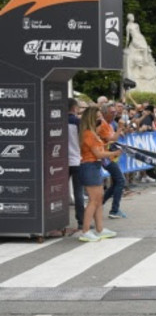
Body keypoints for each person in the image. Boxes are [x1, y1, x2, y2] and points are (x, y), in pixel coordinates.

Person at [78, 106, 121, 242]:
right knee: (94, 200)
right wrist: (113, 153)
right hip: (89, 165)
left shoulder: (92, 132)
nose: (100, 119)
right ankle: (85, 231)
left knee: (99, 199)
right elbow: (98, 153)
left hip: (94, 166)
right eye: (97, 117)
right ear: (91, 118)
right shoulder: (88, 134)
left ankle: (100, 229)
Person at [98, 103, 127, 219]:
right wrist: (120, 128)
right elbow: (112, 138)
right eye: (112, 113)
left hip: (110, 155)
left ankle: (100, 204)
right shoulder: (103, 124)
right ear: (104, 113)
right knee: (120, 180)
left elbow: (113, 138)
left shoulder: (109, 124)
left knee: (116, 181)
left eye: (115, 112)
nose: (115, 115)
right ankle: (114, 210)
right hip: (105, 157)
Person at [67, 98, 85, 230]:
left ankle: (57, 220)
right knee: (78, 191)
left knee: (57, 192)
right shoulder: (78, 122)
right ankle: (81, 221)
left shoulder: (55, 120)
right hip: (77, 159)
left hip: (59, 161)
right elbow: (83, 140)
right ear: (74, 108)